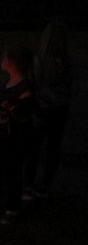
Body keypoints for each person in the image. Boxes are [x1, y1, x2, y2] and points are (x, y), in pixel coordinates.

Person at [0, 45, 37, 224]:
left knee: (12, 172)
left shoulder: (25, 87)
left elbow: (22, 114)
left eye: (4, 58)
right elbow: (4, 110)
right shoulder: (8, 83)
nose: (1, 61)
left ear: (12, 63)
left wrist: (3, 108)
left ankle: (12, 208)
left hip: (12, 139)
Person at [25, 19, 77, 198]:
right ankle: (45, 184)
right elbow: (72, 87)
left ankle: (29, 183)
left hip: (40, 108)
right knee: (53, 148)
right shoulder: (68, 62)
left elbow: (30, 85)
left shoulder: (37, 60)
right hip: (59, 109)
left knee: (34, 146)